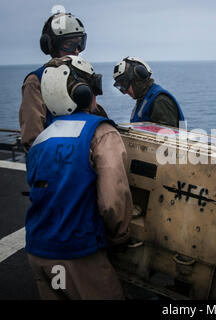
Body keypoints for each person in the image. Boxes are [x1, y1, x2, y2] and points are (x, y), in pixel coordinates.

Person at [25, 55, 133, 300]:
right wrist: (120, 237)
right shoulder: (101, 132)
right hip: (77, 255)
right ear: (82, 92)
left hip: (38, 251)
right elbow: (112, 201)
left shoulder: (41, 139)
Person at [19, 12, 107, 152]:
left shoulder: (81, 75)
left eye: (79, 43)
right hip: (58, 162)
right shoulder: (35, 82)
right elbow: (33, 139)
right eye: (69, 44)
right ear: (51, 46)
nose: (77, 51)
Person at [113, 57, 184, 127]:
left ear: (138, 78)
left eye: (124, 84)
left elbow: (168, 136)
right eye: (121, 87)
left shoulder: (160, 100)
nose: (124, 91)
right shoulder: (143, 100)